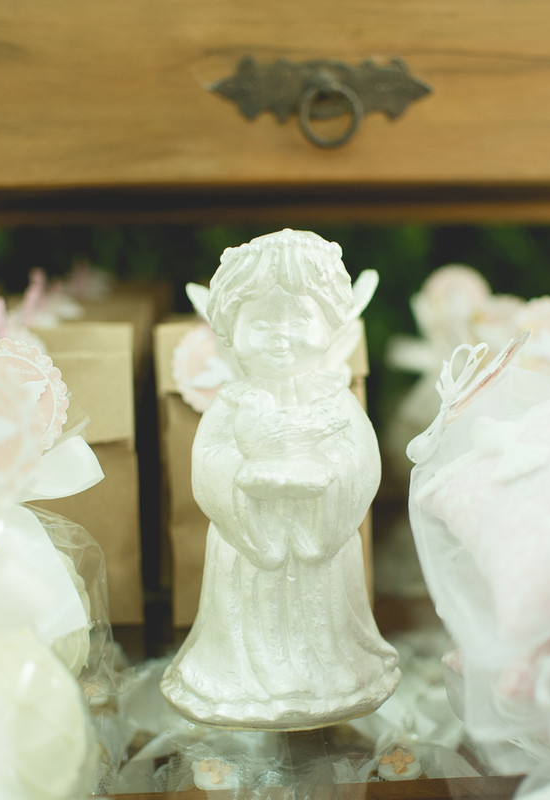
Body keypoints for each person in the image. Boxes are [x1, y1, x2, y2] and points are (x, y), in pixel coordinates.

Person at [161, 229, 400, 730]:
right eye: (262, 322)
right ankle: (236, 679)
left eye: (298, 319)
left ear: (333, 326)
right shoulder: (231, 403)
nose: (280, 336)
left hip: (321, 548)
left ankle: (335, 675)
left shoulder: (336, 399)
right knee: (250, 615)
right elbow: (208, 465)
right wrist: (243, 478)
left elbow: (362, 463)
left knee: (323, 620)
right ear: (229, 330)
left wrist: (330, 478)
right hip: (249, 552)